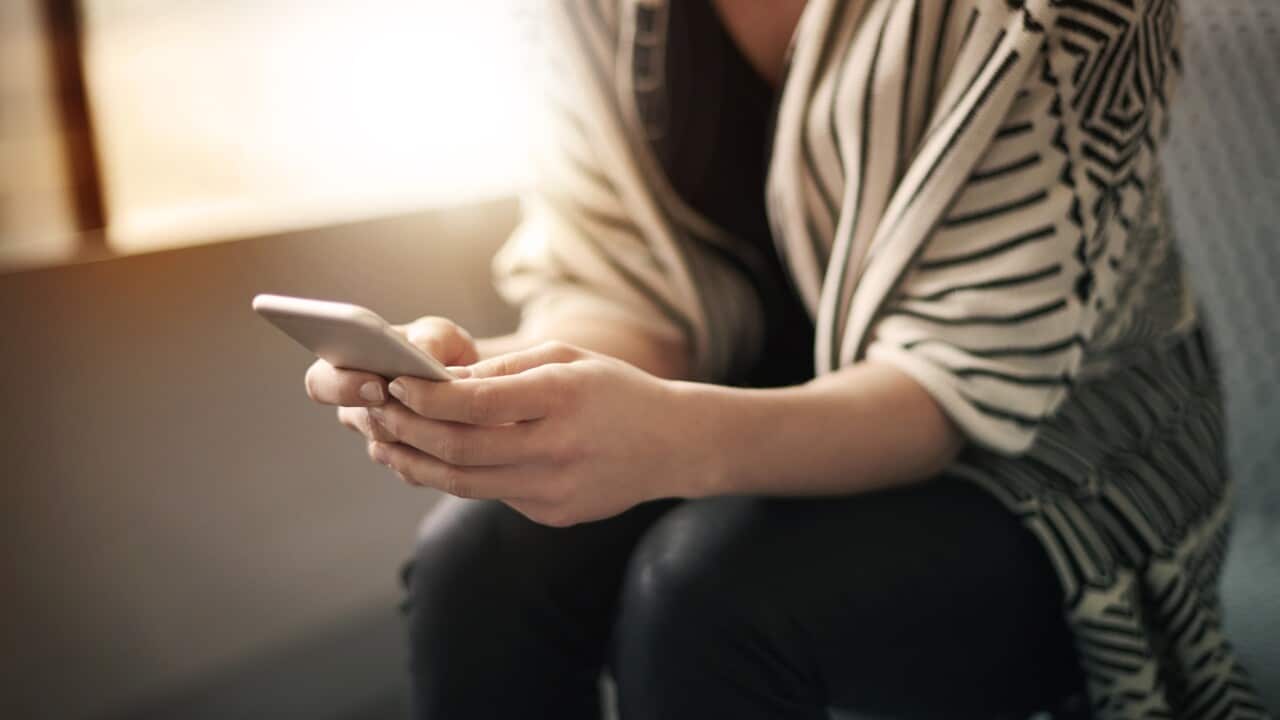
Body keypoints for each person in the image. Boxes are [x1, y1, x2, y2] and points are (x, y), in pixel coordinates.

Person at [303, 1, 1267, 718]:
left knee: (709, 597)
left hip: (1060, 457)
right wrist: (505, 383)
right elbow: (628, 283)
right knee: (479, 562)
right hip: (743, 397)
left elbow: (957, 383)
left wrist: (671, 438)